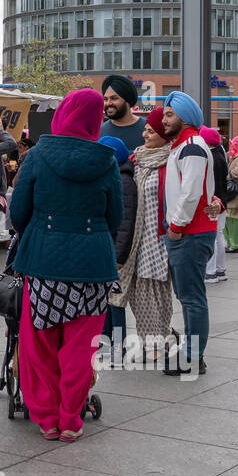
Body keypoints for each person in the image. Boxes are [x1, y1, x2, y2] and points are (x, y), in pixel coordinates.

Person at [10, 90, 120, 439]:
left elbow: (17, 215)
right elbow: (114, 216)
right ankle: (72, 419)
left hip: (44, 262)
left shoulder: (38, 154)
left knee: (39, 342)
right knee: (81, 345)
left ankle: (47, 418)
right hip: (94, 266)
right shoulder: (107, 159)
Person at [161, 92, 218, 375]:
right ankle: (193, 354)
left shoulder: (191, 146)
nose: (164, 119)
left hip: (189, 234)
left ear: (186, 117)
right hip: (188, 232)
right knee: (189, 296)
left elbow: (191, 192)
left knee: (192, 298)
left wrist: (176, 227)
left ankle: (194, 356)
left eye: (170, 114)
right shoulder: (184, 146)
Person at [111, 107, 173, 359]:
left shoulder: (172, 159)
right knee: (137, 289)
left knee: (157, 289)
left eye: (151, 131)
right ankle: (156, 339)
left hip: (159, 236)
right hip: (136, 236)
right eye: (145, 130)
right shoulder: (136, 159)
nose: (145, 135)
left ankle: (159, 339)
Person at [96, 135, 135, 367]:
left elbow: (126, 222)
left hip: (116, 252)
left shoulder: (123, 180)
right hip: (108, 248)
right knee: (107, 299)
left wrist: (119, 257)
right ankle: (106, 340)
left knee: (116, 301)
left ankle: (118, 346)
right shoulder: (114, 177)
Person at [201, 126, 229, 284]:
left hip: (213, 201)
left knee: (212, 236)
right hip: (222, 201)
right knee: (218, 235)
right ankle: (220, 269)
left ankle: (210, 271)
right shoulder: (220, 154)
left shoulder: (210, 157)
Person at [99, 74, 146, 152]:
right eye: (105, 99)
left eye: (114, 98)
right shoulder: (99, 132)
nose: (108, 103)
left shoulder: (148, 129)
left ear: (127, 100)